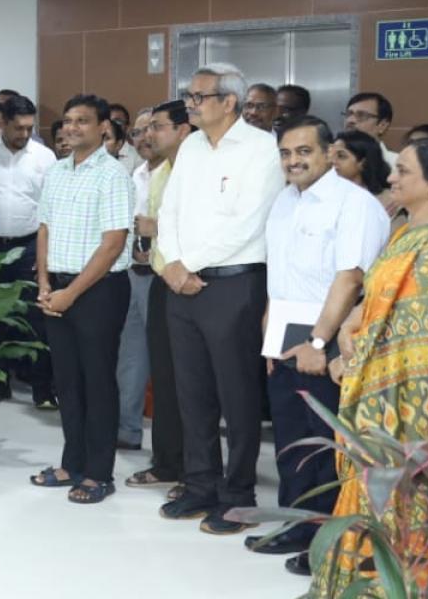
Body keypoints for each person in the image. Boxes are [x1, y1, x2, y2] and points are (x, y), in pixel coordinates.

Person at [312, 139, 428, 596]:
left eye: (403, 171)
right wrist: (347, 328)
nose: (391, 178)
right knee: (368, 486)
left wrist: (353, 357)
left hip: (409, 397)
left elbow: (418, 333)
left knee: (399, 490)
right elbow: (376, 303)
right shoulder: (406, 232)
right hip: (380, 382)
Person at [252, 116, 388, 576]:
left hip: (329, 336)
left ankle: (330, 542)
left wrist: (317, 342)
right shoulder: (284, 202)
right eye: (286, 153)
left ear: (330, 153)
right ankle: (295, 526)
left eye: (304, 151)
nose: (294, 161)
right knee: (291, 438)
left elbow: (352, 279)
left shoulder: (355, 204)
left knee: (326, 443)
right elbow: (280, 274)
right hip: (287, 331)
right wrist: (273, 335)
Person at [155, 63, 283, 534]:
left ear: (229, 102)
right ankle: (200, 484)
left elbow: (250, 220)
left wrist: (191, 264)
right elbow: (170, 208)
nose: (190, 104)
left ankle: (238, 494)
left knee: (238, 395)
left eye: (198, 96)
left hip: (233, 284)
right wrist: (172, 262)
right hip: (180, 282)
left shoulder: (262, 148)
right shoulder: (190, 145)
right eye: (189, 96)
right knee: (192, 392)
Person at [27, 95, 132, 505]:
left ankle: (100, 473)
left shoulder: (113, 175)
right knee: (67, 382)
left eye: (82, 121)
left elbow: (113, 244)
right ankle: (72, 463)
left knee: (97, 382)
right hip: (57, 288)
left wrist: (71, 293)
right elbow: (44, 229)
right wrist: (43, 282)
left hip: (98, 291)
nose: (72, 128)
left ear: (103, 127)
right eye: (68, 121)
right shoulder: (56, 171)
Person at [126, 99, 195, 496]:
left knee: (192, 382)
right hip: (160, 281)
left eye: (158, 126)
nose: (149, 134)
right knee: (165, 378)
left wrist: (159, 227)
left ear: (184, 130)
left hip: (194, 283)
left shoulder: (197, 170)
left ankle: (197, 471)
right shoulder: (158, 172)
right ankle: (167, 461)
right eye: (147, 127)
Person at [0, 95, 56, 408]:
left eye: (28, 128)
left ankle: (42, 389)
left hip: (31, 244)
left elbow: (51, 209)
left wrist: (45, 255)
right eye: (18, 127)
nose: (24, 134)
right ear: (4, 123)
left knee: (36, 317)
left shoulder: (44, 157)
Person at [115, 108, 157, 453]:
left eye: (152, 129)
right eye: (137, 133)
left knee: (169, 364)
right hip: (131, 273)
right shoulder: (136, 175)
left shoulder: (182, 175)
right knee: (130, 357)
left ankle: (175, 447)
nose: (144, 138)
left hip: (168, 279)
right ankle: (127, 430)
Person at [329, 130, 392, 196]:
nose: (332, 161)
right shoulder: (326, 192)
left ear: (363, 163)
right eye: (331, 155)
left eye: (341, 156)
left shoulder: (386, 200)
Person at [341, 92, 397, 167]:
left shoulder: (396, 165)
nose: (351, 120)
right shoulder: (331, 163)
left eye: (361, 115)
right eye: (349, 114)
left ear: (382, 125)